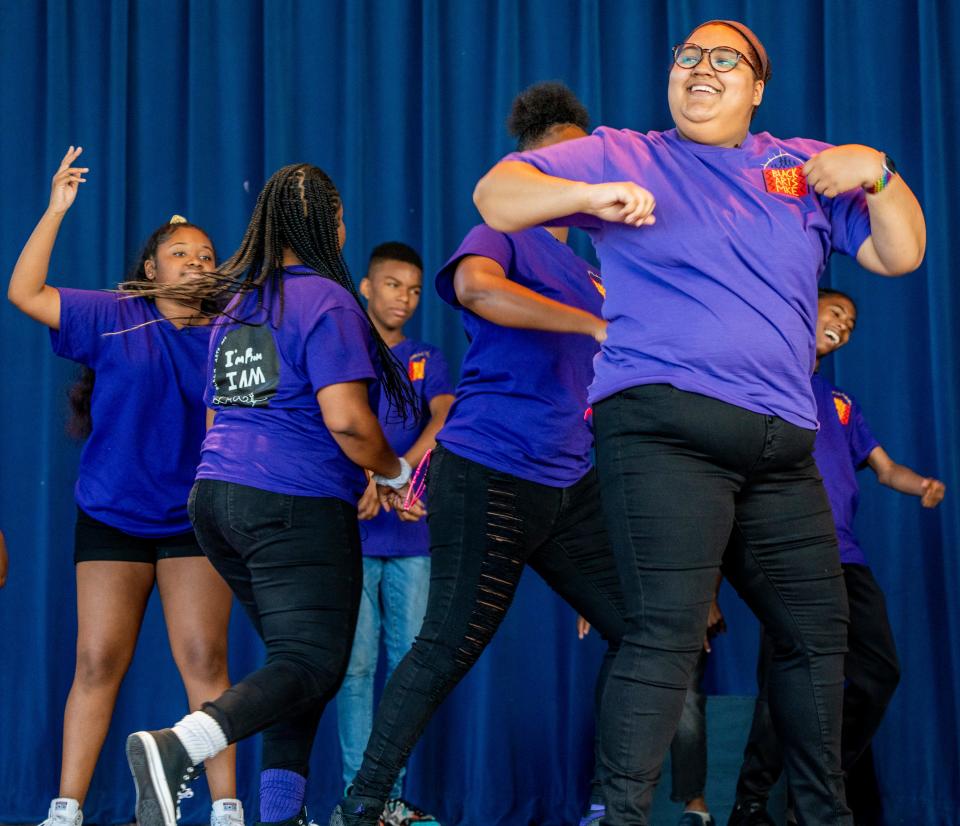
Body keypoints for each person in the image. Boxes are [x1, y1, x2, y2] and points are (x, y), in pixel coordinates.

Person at [473, 19, 925, 825]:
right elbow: (497, 195)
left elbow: (900, 255)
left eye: (725, 59)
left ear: (757, 88)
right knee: (667, 631)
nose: (701, 68)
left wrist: (882, 176)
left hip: (781, 446)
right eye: (687, 56)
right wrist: (582, 196)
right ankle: (623, 815)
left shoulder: (799, 166)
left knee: (820, 636)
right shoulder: (624, 152)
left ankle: (819, 817)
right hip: (664, 428)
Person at [329, 82, 626, 826]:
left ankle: (615, 805)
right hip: (493, 469)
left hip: (569, 482)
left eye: (582, 161)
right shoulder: (503, 232)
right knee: (446, 645)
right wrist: (590, 330)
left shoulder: (592, 269)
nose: (571, 172)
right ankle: (363, 805)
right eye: (556, 158)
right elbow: (475, 289)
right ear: (524, 167)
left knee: (652, 629)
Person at [123, 163, 419, 826]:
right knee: (314, 660)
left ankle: (282, 815)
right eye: (339, 219)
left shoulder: (237, 303)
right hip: (293, 503)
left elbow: (221, 411)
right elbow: (346, 418)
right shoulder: (328, 300)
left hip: (218, 499)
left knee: (299, 668)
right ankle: (178, 749)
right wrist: (393, 474)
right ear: (329, 227)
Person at [7, 147, 241, 826]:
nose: (196, 260)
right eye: (179, 252)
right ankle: (65, 810)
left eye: (205, 253)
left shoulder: (234, 334)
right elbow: (24, 292)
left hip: (195, 519)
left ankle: (227, 809)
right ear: (149, 269)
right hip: (112, 516)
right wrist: (55, 210)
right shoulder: (111, 315)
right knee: (95, 659)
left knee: (205, 659)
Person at [728, 288, 946, 826]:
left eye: (851, 322)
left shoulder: (841, 401)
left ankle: (819, 784)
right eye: (836, 312)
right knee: (790, 675)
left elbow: (885, 467)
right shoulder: (760, 379)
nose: (845, 325)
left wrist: (921, 484)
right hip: (786, 554)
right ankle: (752, 801)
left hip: (844, 555)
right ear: (806, 308)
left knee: (877, 673)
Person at [333, 242, 454, 826]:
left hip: (409, 536)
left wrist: (398, 477)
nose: (403, 297)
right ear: (364, 286)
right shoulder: (344, 351)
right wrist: (372, 477)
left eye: (412, 288)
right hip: (351, 532)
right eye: (391, 284)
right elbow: (336, 420)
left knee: (407, 666)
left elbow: (445, 415)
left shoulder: (426, 356)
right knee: (354, 669)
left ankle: (388, 796)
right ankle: (360, 797)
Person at [578, 579, 726, 826]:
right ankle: (600, 803)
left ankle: (696, 807)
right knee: (617, 669)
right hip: (632, 585)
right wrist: (586, 592)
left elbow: (716, 543)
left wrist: (708, 595)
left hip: (683, 586)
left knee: (684, 690)